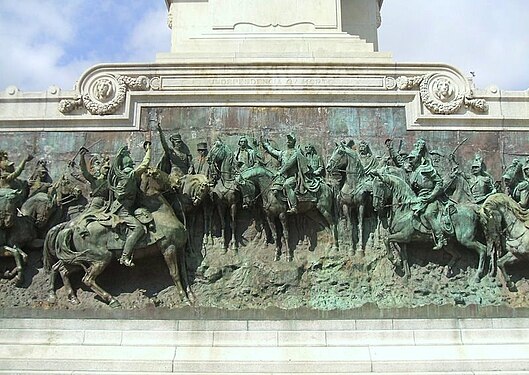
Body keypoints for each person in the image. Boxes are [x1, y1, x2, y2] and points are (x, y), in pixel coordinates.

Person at [108, 142, 151, 267]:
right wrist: (148, 150)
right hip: (123, 210)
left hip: (119, 206)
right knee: (139, 229)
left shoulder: (119, 175)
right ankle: (125, 256)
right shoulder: (130, 175)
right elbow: (145, 164)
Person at [407, 139, 447, 251]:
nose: (410, 161)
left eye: (412, 158)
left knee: (429, 214)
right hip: (419, 199)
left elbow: (439, 182)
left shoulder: (427, 169)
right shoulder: (413, 173)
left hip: (431, 199)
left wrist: (432, 196)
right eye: (409, 159)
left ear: (419, 158)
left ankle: (441, 238)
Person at [262, 133, 301, 214]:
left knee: (287, 185)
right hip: (282, 177)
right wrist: (266, 145)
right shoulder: (283, 153)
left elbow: (289, 164)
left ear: (293, 142)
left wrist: (280, 172)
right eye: (288, 140)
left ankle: (294, 207)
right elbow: (272, 151)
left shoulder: (296, 153)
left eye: (290, 140)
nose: (288, 141)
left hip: (292, 177)